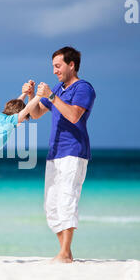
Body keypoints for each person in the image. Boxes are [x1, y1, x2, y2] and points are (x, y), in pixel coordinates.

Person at [26, 46, 96, 263]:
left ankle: (65, 253)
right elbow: (36, 114)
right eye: (53, 67)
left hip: (74, 152)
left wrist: (52, 96)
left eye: (58, 66)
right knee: (51, 206)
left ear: (71, 65)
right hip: (54, 154)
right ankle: (65, 252)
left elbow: (74, 115)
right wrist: (32, 95)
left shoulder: (83, 88)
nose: (55, 71)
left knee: (67, 199)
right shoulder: (59, 89)